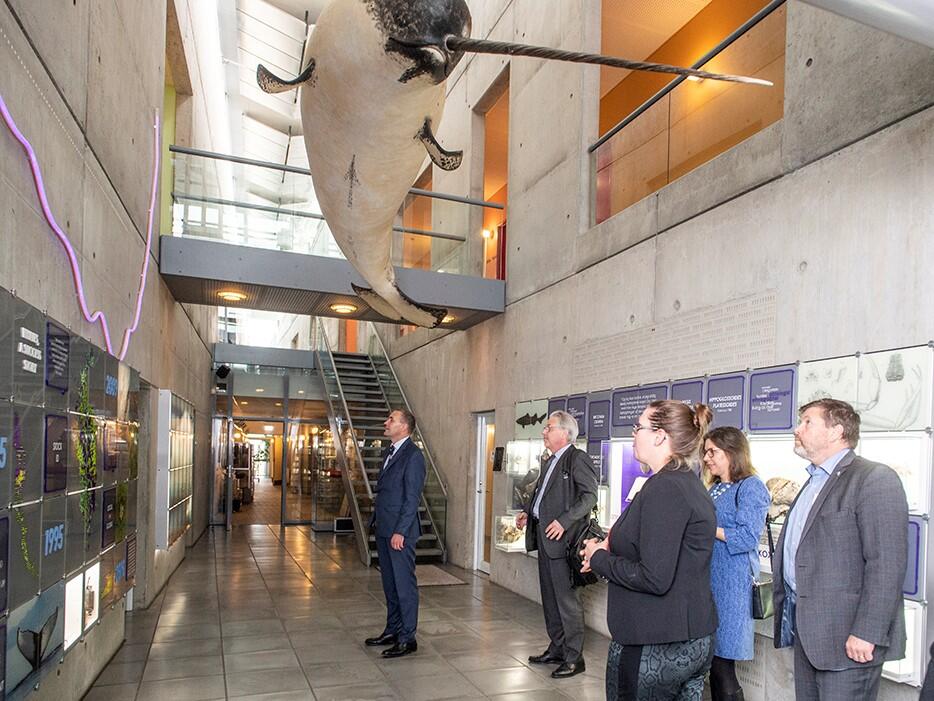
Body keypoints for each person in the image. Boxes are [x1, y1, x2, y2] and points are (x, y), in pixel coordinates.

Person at [772, 398, 908, 700]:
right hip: (809, 637)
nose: (797, 429)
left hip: (849, 641)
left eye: (807, 422)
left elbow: (886, 564)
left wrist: (867, 632)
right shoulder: (814, 481)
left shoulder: (874, 479)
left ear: (836, 431)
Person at [581, 400, 717, 700]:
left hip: (655, 642)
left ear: (660, 436)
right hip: (688, 637)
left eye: (638, 427)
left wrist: (599, 557)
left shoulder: (665, 488)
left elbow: (654, 577)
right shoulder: (686, 483)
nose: (633, 434)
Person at [515, 410, 598, 679]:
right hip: (544, 539)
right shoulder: (550, 460)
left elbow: (589, 496)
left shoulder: (577, 458)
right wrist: (528, 512)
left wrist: (564, 521)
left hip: (564, 543)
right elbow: (541, 494)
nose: (544, 432)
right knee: (550, 599)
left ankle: (574, 658)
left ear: (565, 432)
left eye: (548, 427)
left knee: (567, 601)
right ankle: (558, 648)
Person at [702, 427, 771, 701]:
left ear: (732, 452)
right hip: (712, 583)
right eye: (705, 452)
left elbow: (747, 537)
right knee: (714, 664)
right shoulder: (717, 487)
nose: (706, 458)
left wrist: (708, 528)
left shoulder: (751, 486)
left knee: (723, 666)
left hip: (733, 587)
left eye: (712, 452)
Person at [364, 409, 427, 658]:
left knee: (404, 586)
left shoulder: (413, 456)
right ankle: (392, 630)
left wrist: (400, 531)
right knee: (390, 585)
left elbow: (412, 498)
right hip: (384, 527)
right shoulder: (389, 451)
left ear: (404, 427)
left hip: (400, 532)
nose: (386, 422)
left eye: (391, 419)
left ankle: (407, 638)